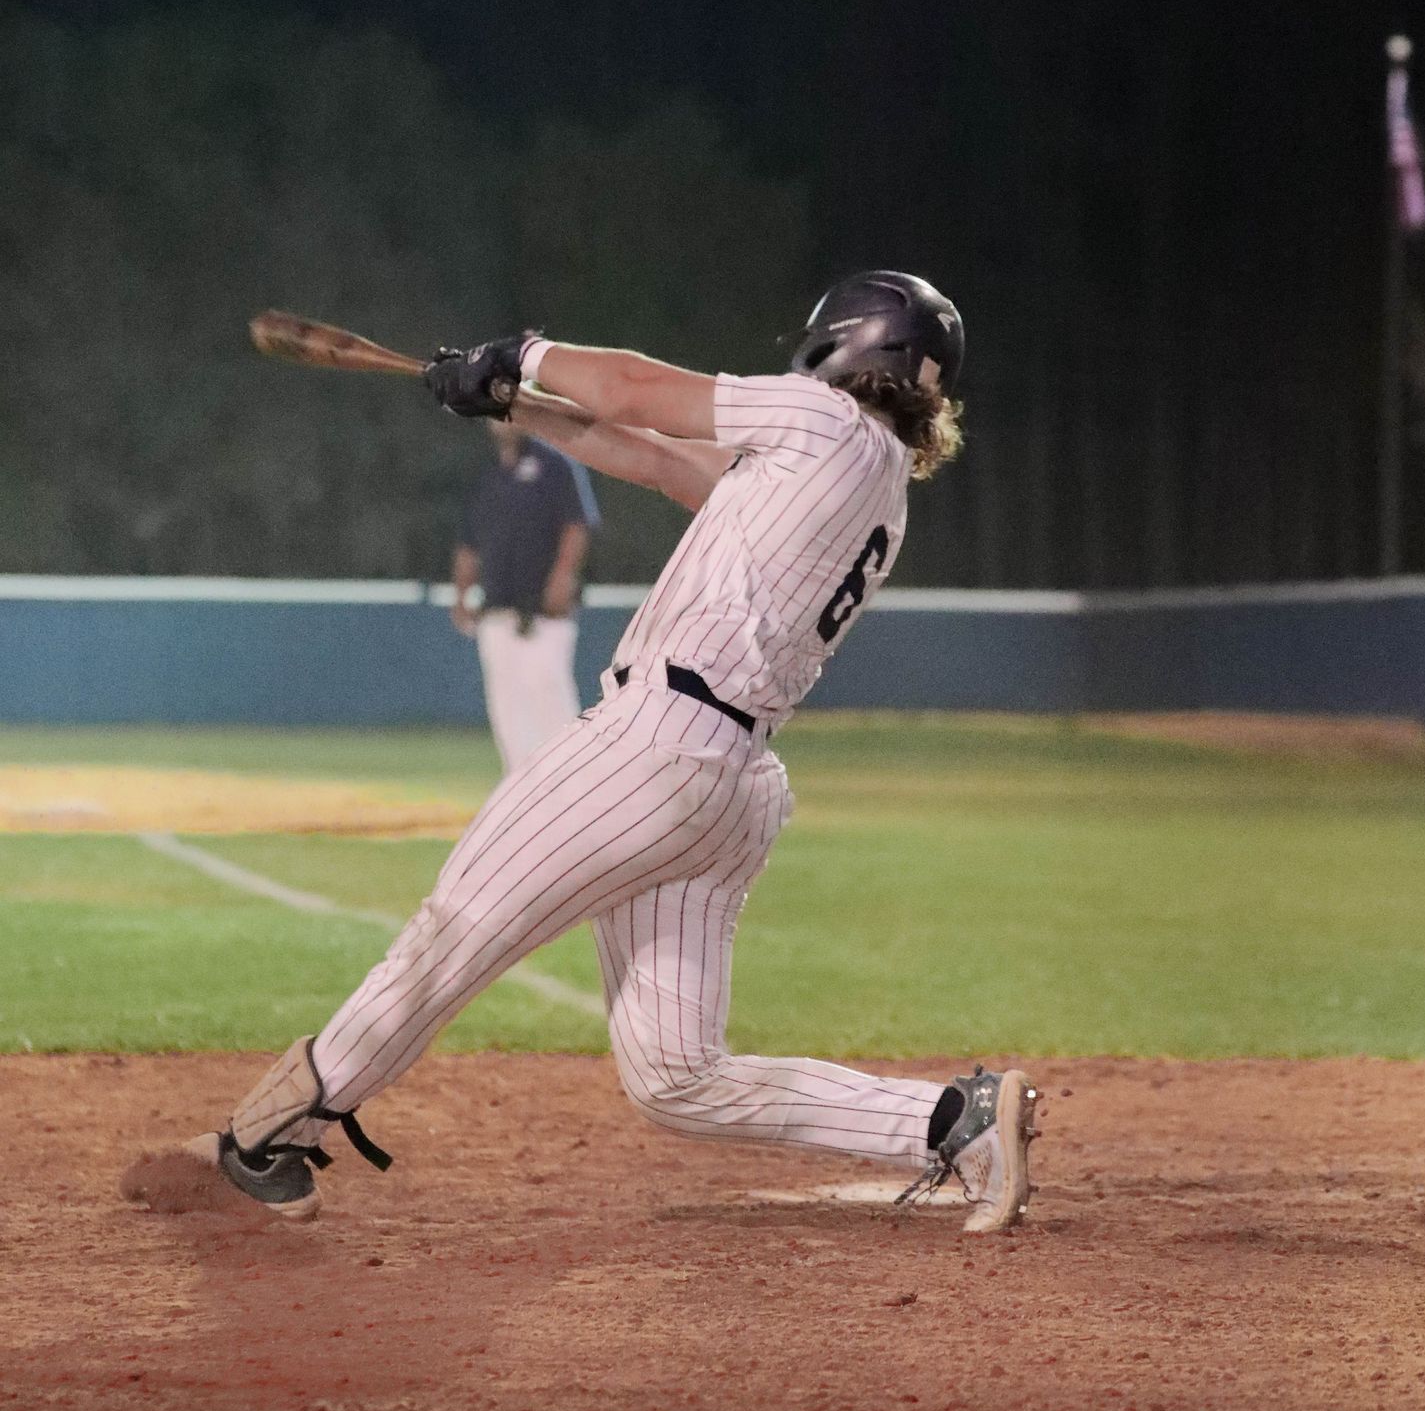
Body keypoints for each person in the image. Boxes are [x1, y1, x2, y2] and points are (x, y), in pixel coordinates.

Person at [177, 272, 1038, 1232]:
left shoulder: (821, 421)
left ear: (849, 343)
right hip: (728, 784)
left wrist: (521, 355)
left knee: (454, 925)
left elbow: (632, 387)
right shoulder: (863, 474)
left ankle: (279, 1126)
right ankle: (954, 1119)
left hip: (654, 750)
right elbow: (657, 458)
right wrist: (521, 405)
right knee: (677, 1078)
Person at [450, 420, 599, 772]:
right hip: (496, 610)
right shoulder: (488, 475)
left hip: (544, 614)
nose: (503, 420)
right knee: (506, 708)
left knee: (550, 699)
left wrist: (563, 577)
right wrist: (461, 593)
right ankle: (519, 791)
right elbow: (469, 541)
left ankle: (571, 784)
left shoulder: (555, 464)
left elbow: (577, 524)